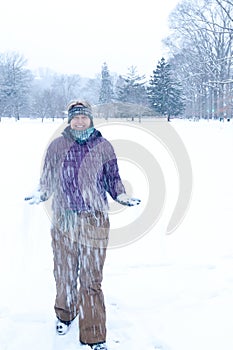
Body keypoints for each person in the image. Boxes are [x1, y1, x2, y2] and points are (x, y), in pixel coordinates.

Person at [25, 100, 140, 350]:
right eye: (75, 117)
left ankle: (94, 335)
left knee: (91, 278)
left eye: (83, 117)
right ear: (69, 120)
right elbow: (48, 177)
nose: (79, 121)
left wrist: (121, 196)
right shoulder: (57, 146)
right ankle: (65, 314)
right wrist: (42, 193)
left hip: (94, 218)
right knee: (65, 272)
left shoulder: (103, 146)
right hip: (64, 218)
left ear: (91, 119)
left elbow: (113, 179)